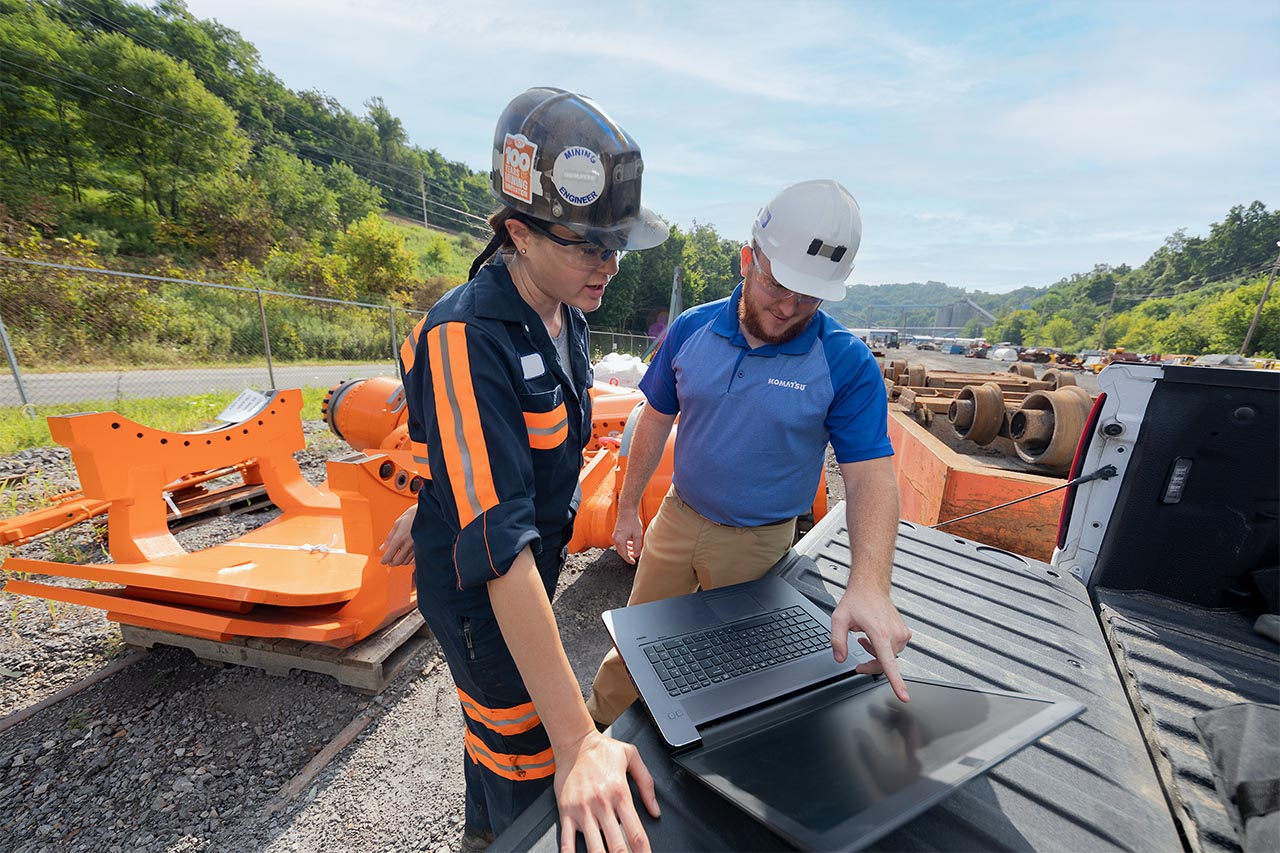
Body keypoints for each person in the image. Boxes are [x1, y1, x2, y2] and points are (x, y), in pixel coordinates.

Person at [378, 87, 669, 853]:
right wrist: (577, 740)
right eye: (589, 246)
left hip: (523, 564)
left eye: (616, 247)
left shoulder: (566, 313)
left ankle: (482, 832)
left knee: (499, 733)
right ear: (518, 233)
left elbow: (492, 449)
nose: (609, 265)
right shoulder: (466, 336)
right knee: (526, 750)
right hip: (482, 591)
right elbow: (497, 545)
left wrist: (438, 494)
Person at [585, 179, 913, 730]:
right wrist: (625, 509)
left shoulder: (846, 363)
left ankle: (683, 759)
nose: (788, 307)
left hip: (759, 543)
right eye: (777, 284)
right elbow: (655, 419)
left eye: (808, 296)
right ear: (747, 260)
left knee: (734, 667)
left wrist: (871, 584)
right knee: (636, 642)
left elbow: (870, 477)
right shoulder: (692, 329)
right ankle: (599, 727)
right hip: (678, 517)